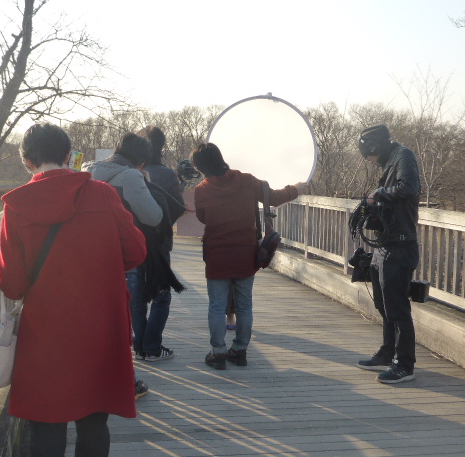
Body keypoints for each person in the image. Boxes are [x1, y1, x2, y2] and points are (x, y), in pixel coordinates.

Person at [0, 123, 146, 457]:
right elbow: (136, 252)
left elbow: (12, 284)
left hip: (45, 333)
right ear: (68, 156)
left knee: (46, 424)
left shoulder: (17, 207)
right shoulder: (102, 195)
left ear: (26, 160)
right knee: (94, 422)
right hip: (100, 326)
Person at [191, 142, 309, 370]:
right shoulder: (246, 180)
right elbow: (273, 197)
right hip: (245, 251)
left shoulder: (202, 189)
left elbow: (203, 218)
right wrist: (296, 188)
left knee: (216, 306)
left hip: (217, 253)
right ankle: (240, 350)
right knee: (244, 305)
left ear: (200, 166)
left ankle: (217, 353)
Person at [85, 133, 184, 363]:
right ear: (141, 162)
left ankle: (139, 348)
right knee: (140, 296)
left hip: (94, 251)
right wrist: (147, 185)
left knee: (118, 304)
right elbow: (153, 217)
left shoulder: (88, 171)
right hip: (127, 248)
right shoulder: (131, 176)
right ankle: (148, 348)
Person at [355, 124, 421, 384]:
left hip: (401, 245)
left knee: (397, 308)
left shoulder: (403, 156)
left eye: (369, 156)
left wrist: (378, 193)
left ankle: (404, 365)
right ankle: (387, 353)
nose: (370, 161)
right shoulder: (391, 160)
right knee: (383, 305)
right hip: (386, 244)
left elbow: (409, 187)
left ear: (375, 148)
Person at [133, 126, 186, 361]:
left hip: (133, 241)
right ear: (162, 146)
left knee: (136, 294)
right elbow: (177, 208)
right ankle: (153, 347)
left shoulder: (128, 171)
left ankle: (139, 345)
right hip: (159, 244)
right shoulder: (167, 174)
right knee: (161, 295)